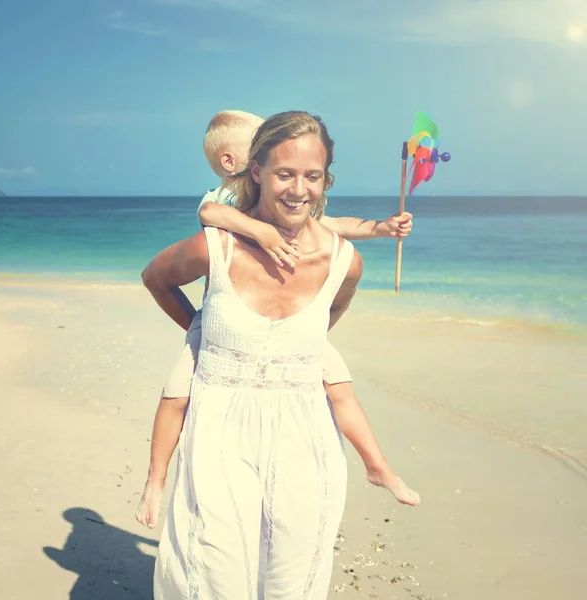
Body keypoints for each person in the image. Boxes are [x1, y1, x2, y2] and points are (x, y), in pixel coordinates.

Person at [141, 110, 414, 599]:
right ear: (257, 172)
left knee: (293, 579)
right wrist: (205, 334)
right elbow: (155, 278)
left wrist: (284, 352)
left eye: (312, 176)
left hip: (306, 436)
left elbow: (328, 322)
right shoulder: (217, 245)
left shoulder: (345, 261)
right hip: (219, 431)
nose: (298, 189)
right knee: (214, 576)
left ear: (325, 178)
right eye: (285, 173)